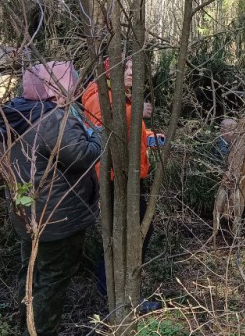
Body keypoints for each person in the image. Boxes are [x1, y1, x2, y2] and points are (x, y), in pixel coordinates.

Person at [0, 61, 101, 336]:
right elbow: (83, 156)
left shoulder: (18, 112)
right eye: (71, 83)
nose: (75, 89)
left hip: (28, 213)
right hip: (58, 219)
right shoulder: (52, 119)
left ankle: (25, 325)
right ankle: (41, 331)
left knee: (31, 272)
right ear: (56, 88)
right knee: (52, 279)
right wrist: (98, 135)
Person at [82, 57, 161, 312]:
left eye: (133, 69)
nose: (130, 73)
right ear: (110, 72)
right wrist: (136, 110)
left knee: (136, 231)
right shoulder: (98, 95)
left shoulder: (122, 97)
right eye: (124, 68)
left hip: (129, 175)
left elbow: (130, 132)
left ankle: (116, 290)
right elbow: (103, 129)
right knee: (130, 233)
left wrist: (150, 137)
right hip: (114, 178)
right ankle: (116, 293)